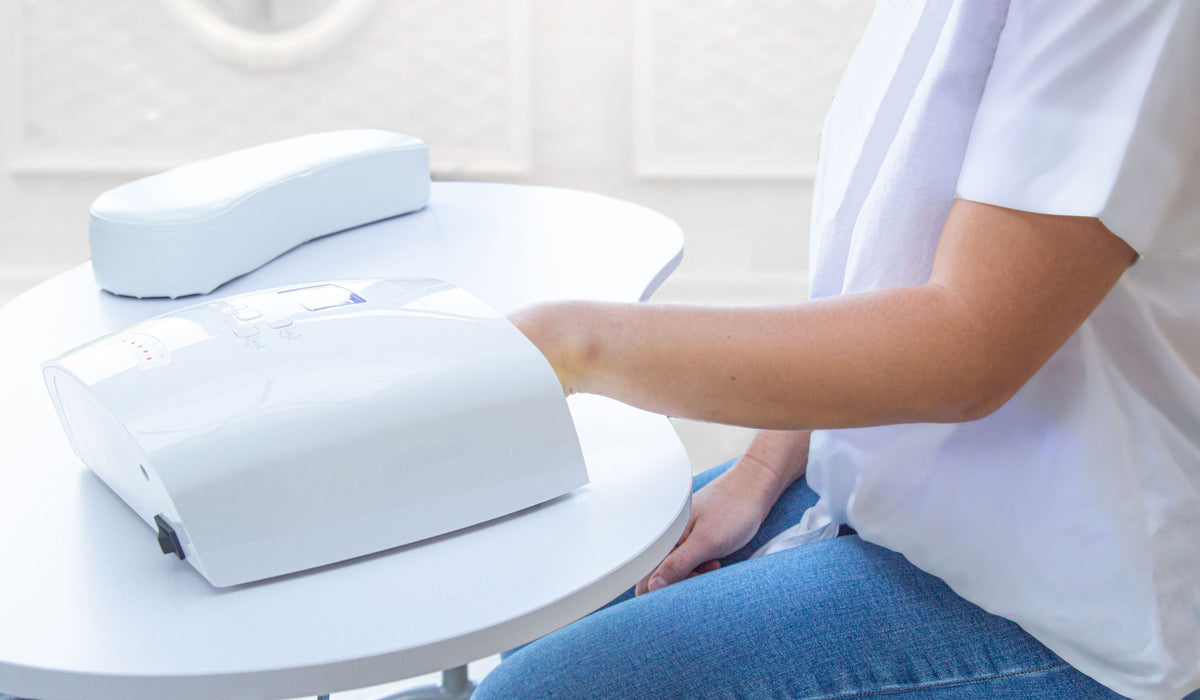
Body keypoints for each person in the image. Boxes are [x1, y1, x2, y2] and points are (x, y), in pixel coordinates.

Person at [474, 0, 1200, 698]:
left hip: (1083, 592)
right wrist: (764, 465)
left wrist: (574, 345)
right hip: (917, 490)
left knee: (538, 689)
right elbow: (893, 269)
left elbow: (968, 346)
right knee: (551, 617)